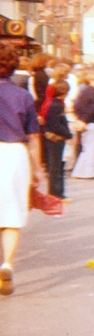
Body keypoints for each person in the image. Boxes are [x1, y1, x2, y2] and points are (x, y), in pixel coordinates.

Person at [0, 42, 46, 296]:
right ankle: (6, 263)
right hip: (13, 154)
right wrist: (37, 169)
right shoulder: (22, 96)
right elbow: (33, 137)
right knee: (10, 217)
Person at [71, 72, 94, 179]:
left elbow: (76, 106)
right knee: (92, 148)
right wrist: (84, 120)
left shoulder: (84, 91)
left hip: (84, 122)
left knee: (86, 148)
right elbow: (92, 109)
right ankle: (89, 172)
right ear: (92, 81)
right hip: (92, 123)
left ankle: (79, 171)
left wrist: (79, 119)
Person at [43, 80, 73, 201]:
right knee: (56, 167)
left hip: (55, 138)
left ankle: (57, 192)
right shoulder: (55, 106)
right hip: (56, 138)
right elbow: (55, 125)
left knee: (57, 166)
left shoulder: (54, 103)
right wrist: (68, 134)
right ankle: (55, 193)